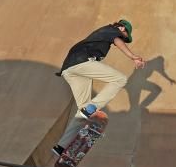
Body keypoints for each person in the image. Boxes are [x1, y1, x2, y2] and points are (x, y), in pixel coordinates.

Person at [52, 20, 145, 157]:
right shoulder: (111, 30)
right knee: (120, 79)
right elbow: (117, 41)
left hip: (69, 69)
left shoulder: (103, 34)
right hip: (82, 61)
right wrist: (133, 57)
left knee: (82, 112)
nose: (122, 39)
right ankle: (91, 108)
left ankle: (61, 147)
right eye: (124, 35)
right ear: (121, 28)